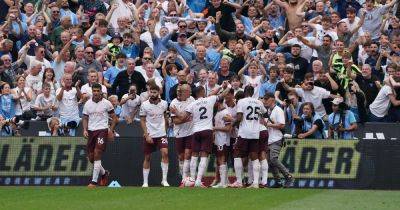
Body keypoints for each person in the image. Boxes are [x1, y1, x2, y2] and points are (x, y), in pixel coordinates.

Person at [173, 82, 231, 187]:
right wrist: (229, 87)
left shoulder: (192, 104)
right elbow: (223, 95)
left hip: (195, 131)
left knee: (194, 156)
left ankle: (192, 179)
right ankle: (198, 181)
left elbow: (182, 117)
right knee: (204, 156)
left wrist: (176, 112)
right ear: (203, 92)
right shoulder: (210, 99)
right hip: (207, 130)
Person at [230, 85, 266, 188]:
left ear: (245, 92)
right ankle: (255, 183)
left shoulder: (241, 101)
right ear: (253, 92)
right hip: (255, 132)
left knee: (237, 154)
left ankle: (239, 182)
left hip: (244, 132)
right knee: (254, 156)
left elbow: (239, 117)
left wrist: (232, 125)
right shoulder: (259, 102)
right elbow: (264, 112)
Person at [83, 83, 117, 188]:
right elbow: (85, 118)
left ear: (101, 92)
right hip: (91, 131)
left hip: (102, 130)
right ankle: (104, 173)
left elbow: (114, 118)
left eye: (98, 91)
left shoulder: (107, 103)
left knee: (97, 153)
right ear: (92, 91)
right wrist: (84, 129)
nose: (96, 93)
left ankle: (94, 182)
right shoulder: (87, 104)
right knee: (91, 158)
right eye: (94, 91)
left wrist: (110, 130)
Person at [139, 84, 170, 187]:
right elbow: (142, 121)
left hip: (161, 134)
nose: (152, 94)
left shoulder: (165, 104)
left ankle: (164, 180)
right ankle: (145, 182)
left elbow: (166, 118)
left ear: (159, 93)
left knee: (165, 153)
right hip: (150, 134)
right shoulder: (144, 105)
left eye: (154, 92)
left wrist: (165, 130)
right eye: (151, 92)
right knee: (147, 157)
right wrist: (147, 135)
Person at [169, 84, 195, 186]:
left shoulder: (192, 99)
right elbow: (175, 121)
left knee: (188, 155)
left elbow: (189, 117)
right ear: (183, 92)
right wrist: (185, 118)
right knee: (181, 157)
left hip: (190, 132)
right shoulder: (173, 104)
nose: (191, 92)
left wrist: (180, 115)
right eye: (189, 90)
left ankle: (187, 179)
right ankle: (184, 178)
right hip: (179, 133)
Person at [211, 100, 232, 188]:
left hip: (223, 139)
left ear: (218, 102)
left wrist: (215, 128)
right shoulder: (217, 112)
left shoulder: (226, 112)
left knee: (222, 159)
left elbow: (228, 128)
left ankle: (223, 183)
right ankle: (224, 181)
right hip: (218, 140)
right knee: (219, 159)